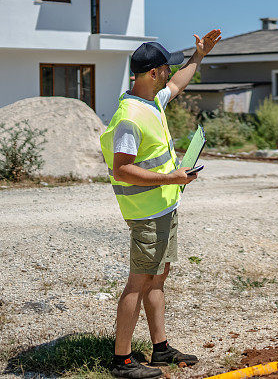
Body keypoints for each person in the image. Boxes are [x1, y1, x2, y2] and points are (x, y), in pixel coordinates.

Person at [100, 31, 221, 379]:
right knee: (138, 283)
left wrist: (199, 56)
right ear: (153, 73)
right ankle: (122, 362)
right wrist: (173, 178)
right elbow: (123, 170)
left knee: (157, 279)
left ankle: (160, 349)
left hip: (164, 208)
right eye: (166, 68)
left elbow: (180, 82)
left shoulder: (152, 101)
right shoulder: (129, 117)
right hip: (146, 215)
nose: (170, 73)